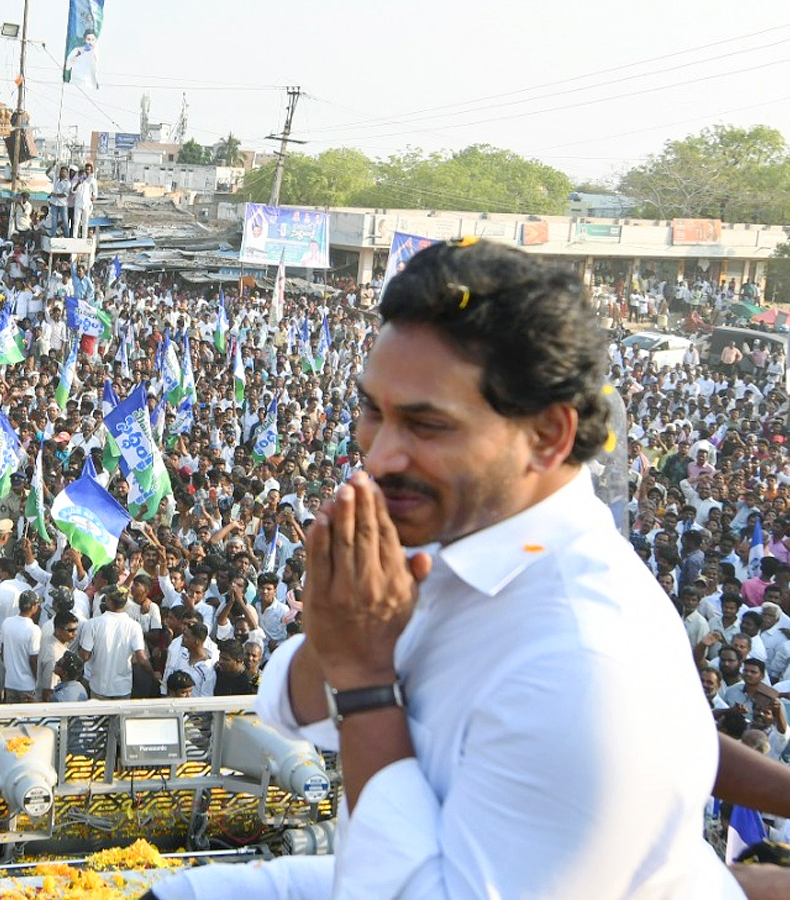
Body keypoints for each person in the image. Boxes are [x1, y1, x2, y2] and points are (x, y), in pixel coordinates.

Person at [157, 239, 743, 899]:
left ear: (547, 435)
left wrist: (364, 679)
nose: (379, 457)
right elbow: (289, 711)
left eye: (426, 425)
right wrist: (339, 630)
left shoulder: (582, 661)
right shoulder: (453, 549)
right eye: (373, 411)